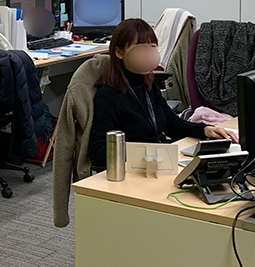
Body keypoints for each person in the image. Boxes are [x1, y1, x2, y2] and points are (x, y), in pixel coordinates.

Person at [88, 19, 238, 169]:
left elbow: (172, 124)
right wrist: (146, 153)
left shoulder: (147, 84)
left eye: (152, 47)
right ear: (119, 52)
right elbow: (98, 151)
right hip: (137, 168)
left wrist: (205, 130)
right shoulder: (108, 95)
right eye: (140, 48)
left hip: (159, 160)